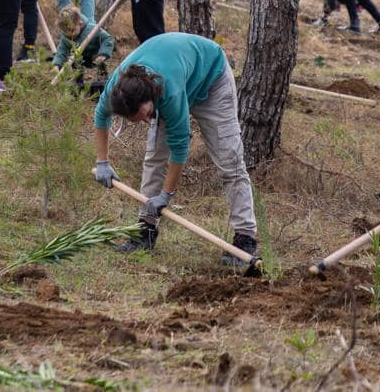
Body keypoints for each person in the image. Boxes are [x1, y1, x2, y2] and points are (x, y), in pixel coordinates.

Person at [91, 33, 257, 266]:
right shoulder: (116, 88)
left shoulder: (169, 92)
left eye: (147, 115)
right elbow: (100, 118)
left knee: (230, 162)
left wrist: (166, 195)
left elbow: (179, 147)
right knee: (154, 159)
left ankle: (245, 238)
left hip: (212, 78)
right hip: (179, 70)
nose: (147, 121)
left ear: (151, 98)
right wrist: (102, 162)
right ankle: (145, 230)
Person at [52, 4, 114, 76]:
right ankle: (78, 82)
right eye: (65, 31)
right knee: (73, 61)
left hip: (95, 56)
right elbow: (61, 51)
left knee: (100, 63)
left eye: (72, 30)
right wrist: (56, 65)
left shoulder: (92, 29)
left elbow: (107, 38)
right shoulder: (66, 37)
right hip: (80, 59)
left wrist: (103, 54)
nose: (69, 34)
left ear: (80, 24)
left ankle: (103, 78)